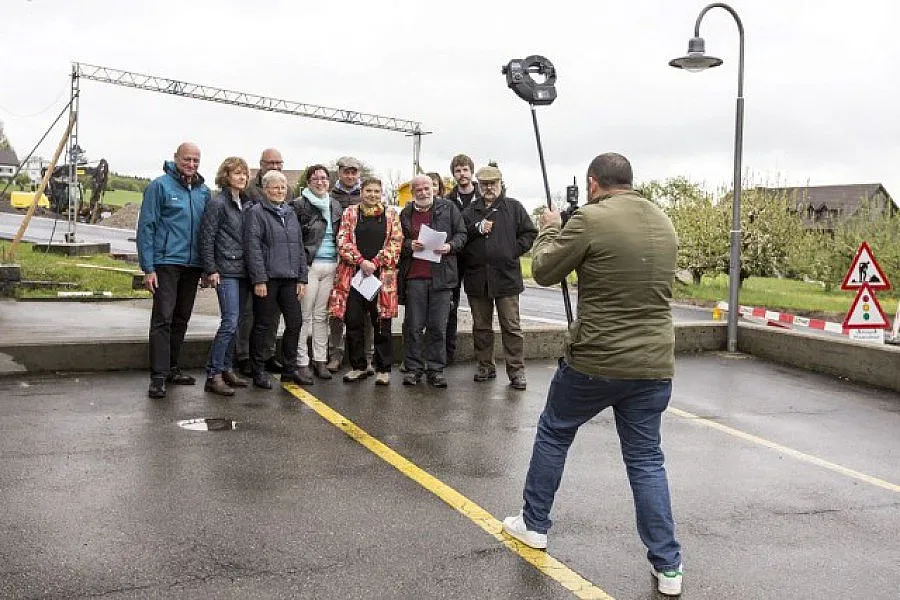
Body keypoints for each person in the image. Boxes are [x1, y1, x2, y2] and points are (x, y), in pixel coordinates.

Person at [501, 153, 683, 597]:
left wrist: (549, 226)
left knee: (554, 431)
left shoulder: (590, 218)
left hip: (597, 359)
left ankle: (534, 523)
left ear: (593, 183)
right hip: (654, 362)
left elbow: (544, 270)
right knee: (645, 460)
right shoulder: (664, 222)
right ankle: (669, 565)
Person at [136, 142, 210, 399]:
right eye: (187, 159)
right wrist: (148, 267)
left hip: (193, 265)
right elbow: (146, 227)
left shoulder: (203, 192)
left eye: (196, 160)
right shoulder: (159, 186)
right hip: (166, 262)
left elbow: (207, 231)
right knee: (163, 319)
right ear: (176, 158)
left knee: (181, 318)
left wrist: (207, 266)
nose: (191, 164)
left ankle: (172, 369)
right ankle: (157, 376)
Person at [461, 165, 536, 390]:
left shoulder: (513, 208)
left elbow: (530, 233)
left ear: (500, 183)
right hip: (477, 278)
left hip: (506, 277)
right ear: (478, 186)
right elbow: (460, 238)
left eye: (493, 183)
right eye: (484, 184)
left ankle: (516, 371)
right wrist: (476, 230)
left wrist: (512, 250)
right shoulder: (469, 212)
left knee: (511, 327)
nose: (489, 188)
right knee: (481, 327)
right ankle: (485, 365)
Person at [328, 177, 403, 384]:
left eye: (376, 191)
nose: (372, 195)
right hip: (354, 276)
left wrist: (376, 262)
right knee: (353, 321)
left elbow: (396, 242)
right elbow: (342, 240)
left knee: (381, 323)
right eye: (368, 191)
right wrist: (361, 262)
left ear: (381, 193)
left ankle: (383, 369)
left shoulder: (391, 215)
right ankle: (358, 366)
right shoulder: (350, 213)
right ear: (362, 193)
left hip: (382, 277)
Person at [398, 175, 467, 387]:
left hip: (442, 277)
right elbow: (397, 240)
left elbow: (462, 234)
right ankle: (413, 369)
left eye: (427, 188)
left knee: (438, 326)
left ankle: (436, 369)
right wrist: (410, 244)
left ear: (434, 189)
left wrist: (450, 246)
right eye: (418, 189)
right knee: (414, 326)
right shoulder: (405, 213)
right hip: (415, 277)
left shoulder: (449, 208)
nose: (423, 192)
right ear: (412, 192)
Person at [243, 170, 308, 389]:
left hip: (290, 279)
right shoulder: (256, 213)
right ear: (265, 189)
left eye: (282, 187)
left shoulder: (290, 213)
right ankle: (258, 369)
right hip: (268, 279)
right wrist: (259, 279)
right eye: (274, 187)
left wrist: (302, 278)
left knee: (295, 322)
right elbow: (253, 248)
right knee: (263, 324)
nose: (279, 191)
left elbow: (299, 247)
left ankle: (290, 370)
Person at [198, 156, 252, 396]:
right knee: (229, 322)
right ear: (226, 176)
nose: (242, 177)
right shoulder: (218, 203)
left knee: (237, 322)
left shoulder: (245, 203)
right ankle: (213, 374)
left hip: (243, 271)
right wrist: (211, 269)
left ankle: (227, 368)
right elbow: (206, 238)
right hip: (225, 270)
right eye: (237, 173)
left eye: (244, 173)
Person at [235, 148, 288, 376]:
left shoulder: (287, 189)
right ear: (261, 164)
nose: (275, 166)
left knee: (272, 313)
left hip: (276, 265)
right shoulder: (248, 189)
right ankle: (244, 355)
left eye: (279, 163)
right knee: (248, 313)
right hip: (253, 261)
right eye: (270, 162)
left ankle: (267, 354)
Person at [291, 164, 342, 383]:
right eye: (315, 178)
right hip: (309, 266)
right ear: (308, 182)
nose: (320, 182)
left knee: (322, 317)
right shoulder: (299, 205)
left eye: (324, 178)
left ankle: (320, 360)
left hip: (331, 266)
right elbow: (294, 240)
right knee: (304, 317)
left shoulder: (335, 205)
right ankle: (301, 362)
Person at [326, 156, 371, 373]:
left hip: (365, 264)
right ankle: (336, 354)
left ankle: (366, 356)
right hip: (339, 261)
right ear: (340, 172)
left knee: (367, 312)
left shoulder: (369, 197)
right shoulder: (330, 197)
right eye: (346, 172)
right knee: (337, 311)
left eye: (354, 172)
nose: (350, 176)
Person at [444, 154, 481, 364]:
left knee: (479, 309)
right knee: (450, 307)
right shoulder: (448, 201)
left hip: (476, 259)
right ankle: (448, 353)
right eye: (458, 171)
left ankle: (482, 357)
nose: (462, 174)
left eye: (465, 169)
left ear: (471, 171)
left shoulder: (483, 198)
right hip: (454, 260)